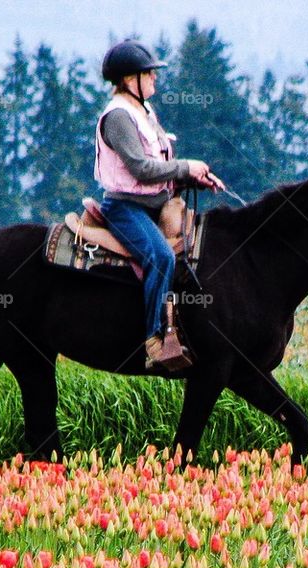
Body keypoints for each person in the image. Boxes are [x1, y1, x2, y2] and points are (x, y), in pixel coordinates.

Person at [94, 39, 223, 370]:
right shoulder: (119, 117)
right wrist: (186, 167)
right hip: (125, 208)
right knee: (161, 256)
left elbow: (160, 165)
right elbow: (140, 169)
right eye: (148, 73)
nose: (154, 77)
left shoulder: (144, 111)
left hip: (157, 204)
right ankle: (153, 341)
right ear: (129, 79)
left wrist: (192, 178)